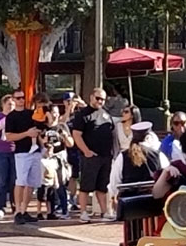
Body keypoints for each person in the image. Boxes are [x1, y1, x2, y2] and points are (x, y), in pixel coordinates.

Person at [71, 88, 116, 222]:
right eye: (97, 98)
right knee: (86, 186)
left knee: (103, 186)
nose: (100, 101)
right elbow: (76, 135)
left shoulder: (106, 114)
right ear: (91, 97)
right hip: (90, 157)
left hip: (106, 156)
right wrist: (86, 151)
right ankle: (83, 213)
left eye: (102, 99)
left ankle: (105, 212)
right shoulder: (82, 115)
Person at [4, 90, 43, 225]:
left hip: (35, 151)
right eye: (18, 98)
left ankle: (24, 210)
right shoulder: (11, 117)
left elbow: (40, 126)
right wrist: (27, 133)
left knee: (31, 182)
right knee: (20, 181)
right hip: (21, 152)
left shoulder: (30, 113)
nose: (21, 100)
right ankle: (17, 211)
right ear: (13, 99)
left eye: (23, 97)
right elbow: (9, 136)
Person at [108, 121, 169, 207]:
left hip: (129, 203)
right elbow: (166, 177)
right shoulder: (159, 155)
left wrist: (113, 196)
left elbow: (114, 181)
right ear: (148, 137)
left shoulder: (122, 156)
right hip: (153, 202)